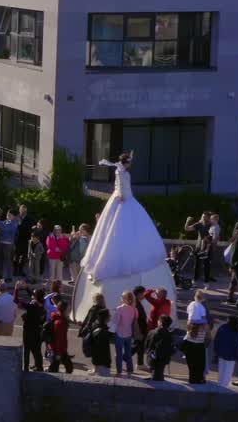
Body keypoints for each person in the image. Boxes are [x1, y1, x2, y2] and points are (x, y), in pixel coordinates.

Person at [73, 152, 175, 323]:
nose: (130, 165)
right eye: (129, 162)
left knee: (129, 232)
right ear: (126, 162)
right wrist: (121, 195)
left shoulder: (121, 171)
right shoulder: (121, 172)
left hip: (127, 200)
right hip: (123, 200)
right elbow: (120, 186)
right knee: (117, 234)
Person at [111, 290, 138, 377]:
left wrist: (114, 312)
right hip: (129, 333)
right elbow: (135, 321)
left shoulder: (120, 309)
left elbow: (115, 321)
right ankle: (130, 371)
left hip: (120, 333)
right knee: (128, 353)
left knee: (118, 354)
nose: (121, 298)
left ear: (125, 299)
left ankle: (119, 372)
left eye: (122, 297)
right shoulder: (135, 309)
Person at [213, 316, 238, 386]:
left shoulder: (222, 327)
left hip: (221, 353)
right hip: (231, 356)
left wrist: (216, 351)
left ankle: (220, 385)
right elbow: (237, 346)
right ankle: (224, 387)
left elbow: (216, 340)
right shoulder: (236, 331)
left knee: (221, 371)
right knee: (228, 373)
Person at [22, 289, 46, 372]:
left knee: (27, 350)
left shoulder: (32, 306)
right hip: (38, 331)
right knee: (37, 351)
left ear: (36, 297)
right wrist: (27, 288)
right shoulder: (42, 303)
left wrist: (16, 289)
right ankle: (39, 367)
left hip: (28, 332)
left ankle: (26, 367)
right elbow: (35, 295)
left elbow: (16, 300)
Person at [84, 308, 114, 376]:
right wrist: (107, 363)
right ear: (105, 318)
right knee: (104, 379)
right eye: (109, 315)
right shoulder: (102, 331)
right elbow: (102, 350)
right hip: (102, 364)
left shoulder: (97, 325)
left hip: (97, 362)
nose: (110, 316)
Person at [145, 315, 175, 381]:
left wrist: (149, 352)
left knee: (155, 372)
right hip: (164, 357)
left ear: (160, 323)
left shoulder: (153, 332)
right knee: (160, 371)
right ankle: (158, 377)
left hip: (153, 357)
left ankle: (155, 378)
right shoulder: (169, 334)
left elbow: (148, 345)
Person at [47, 299, 74, 374]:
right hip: (59, 349)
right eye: (68, 309)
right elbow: (59, 339)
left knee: (57, 367)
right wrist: (58, 353)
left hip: (58, 348)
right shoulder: (60, 322)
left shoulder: (59, 318)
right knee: (68, 367)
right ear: (64, 310)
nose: (69, 311)